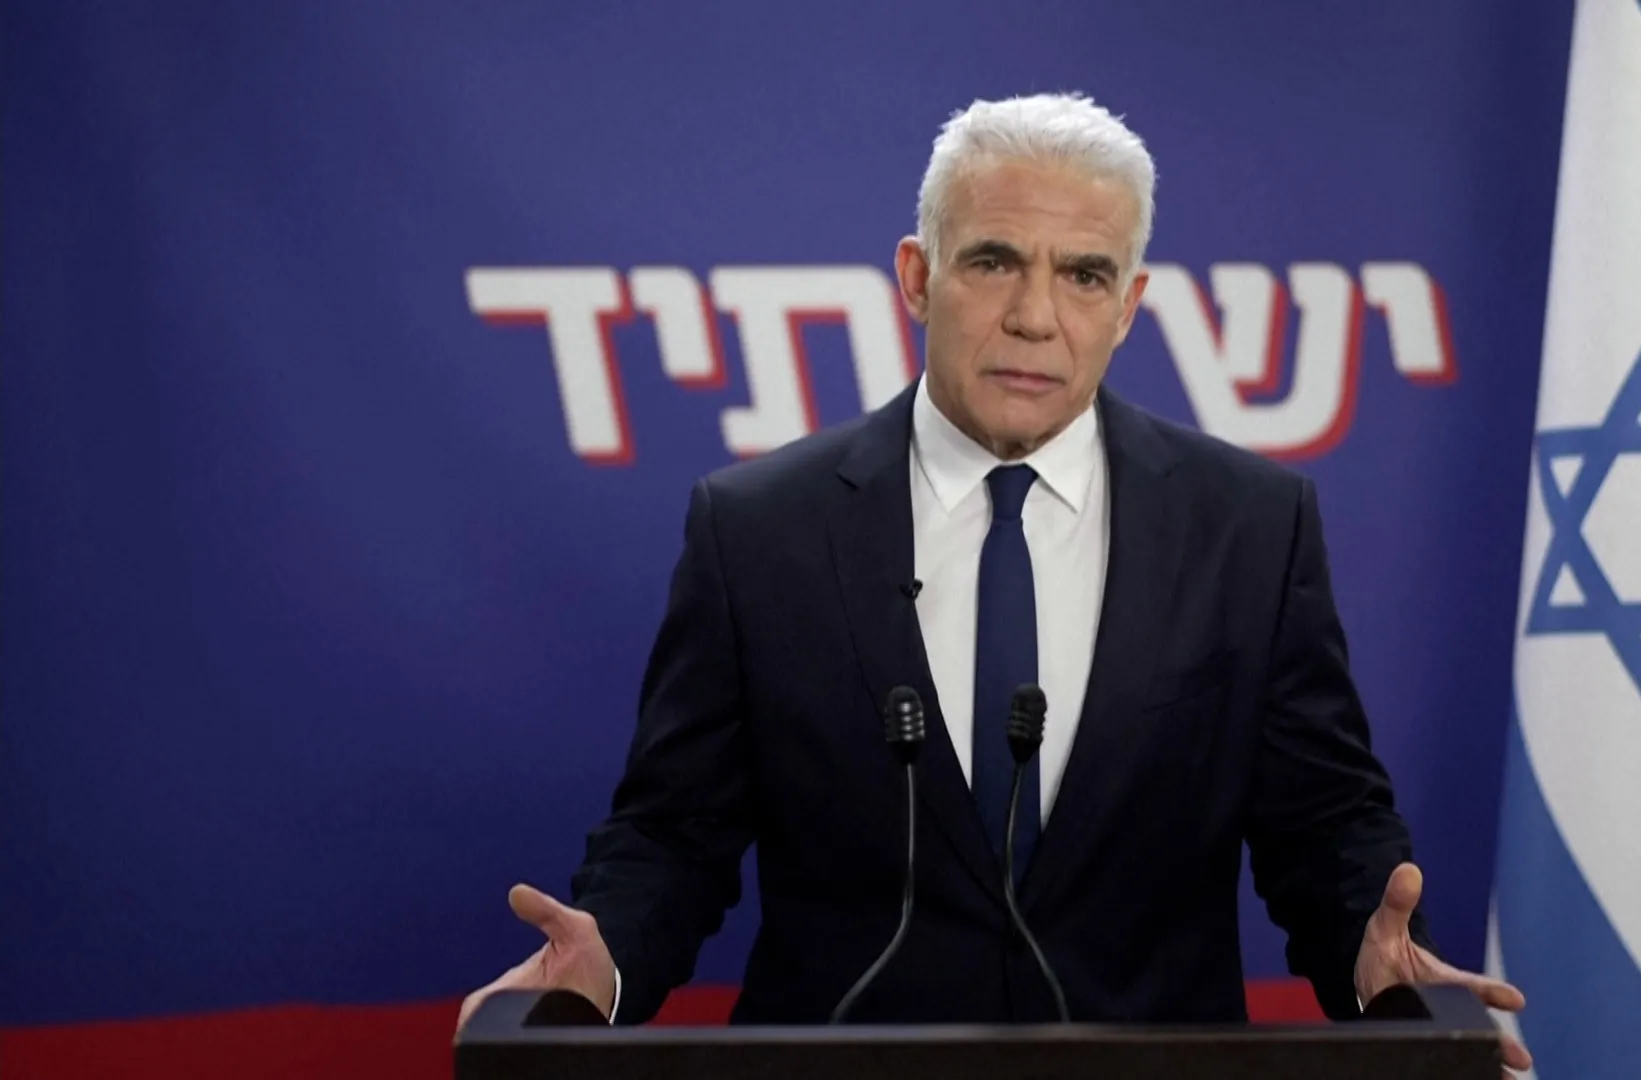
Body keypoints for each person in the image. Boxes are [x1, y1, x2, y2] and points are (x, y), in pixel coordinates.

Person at [458, 92, 1528, 1072]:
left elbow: (1323, 824)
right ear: (918, 277)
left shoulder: (1247, 527)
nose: (1034, 315)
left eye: (1084, 275)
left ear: (1130, 305)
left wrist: (1381, 968)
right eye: (994, 262)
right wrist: (601, 967)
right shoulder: (759, 531)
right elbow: (673, 834)